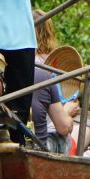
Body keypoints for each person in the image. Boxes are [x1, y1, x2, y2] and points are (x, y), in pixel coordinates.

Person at [30, 10, 80, 154]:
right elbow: (63, 127)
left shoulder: (3, 66)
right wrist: (67, 112)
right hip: (41, 142)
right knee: (83, 131)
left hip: (17, 135)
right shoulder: (49, 69)